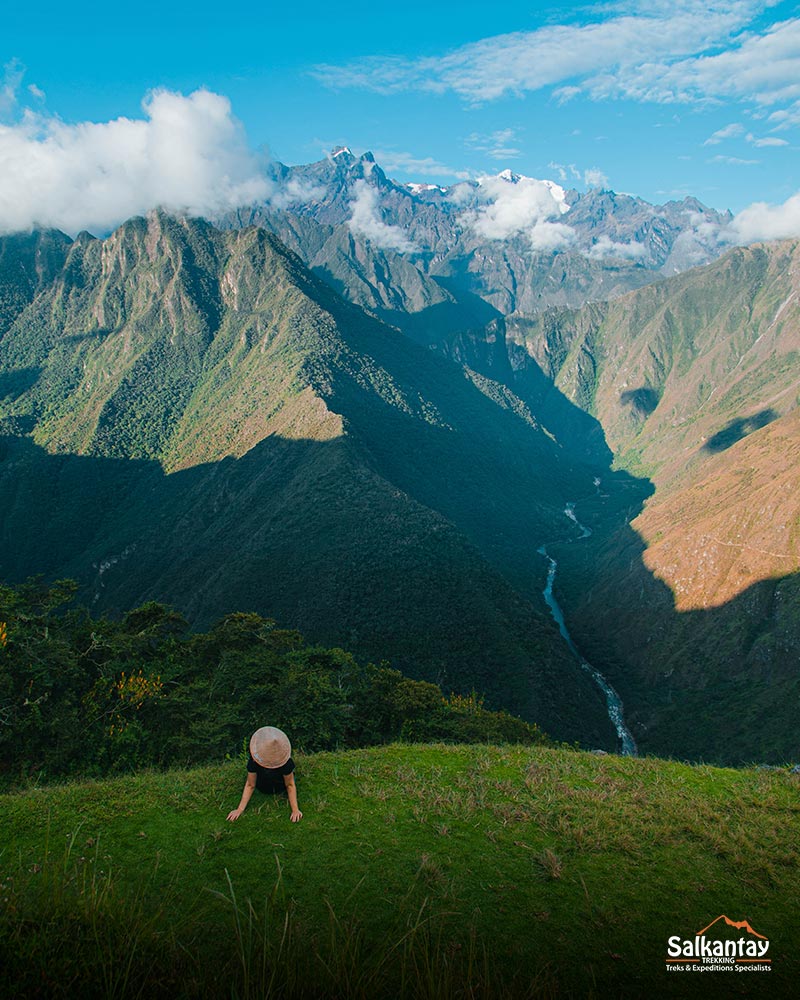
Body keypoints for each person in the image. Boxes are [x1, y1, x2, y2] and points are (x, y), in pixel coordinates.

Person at [227, 725, 303, 823]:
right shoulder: (286, 764)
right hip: (277, 787)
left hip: (265, 786)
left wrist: (295, 810)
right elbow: (290, 785)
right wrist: (240, 809)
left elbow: (250, 785)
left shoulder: (254, 761)